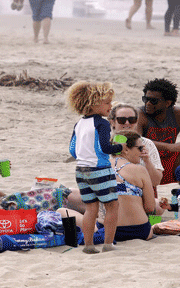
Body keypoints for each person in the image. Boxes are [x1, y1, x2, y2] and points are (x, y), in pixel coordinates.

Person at [66, 81, 122, 254]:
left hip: (81, 171)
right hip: (100, 170)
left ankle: (89, 245)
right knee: (112, 205)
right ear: (94, 103)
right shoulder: (102, 124)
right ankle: (108, 244)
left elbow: (72, 150)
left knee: (91, 208)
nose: (110, 106)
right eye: (107, 102)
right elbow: (105, 148)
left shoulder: (79, 124)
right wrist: (118, 148)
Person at [110, 130, 159, 241]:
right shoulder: (139, 170)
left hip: (109, 231)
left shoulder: (100, 167)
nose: (142, 152)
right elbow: (150, 207)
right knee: (158, 205)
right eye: (140, 148)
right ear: (126, 150)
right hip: (139, 230)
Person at [109, 103, 163, 188]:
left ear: (137, 122)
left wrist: (147, 160)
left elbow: (156, 182)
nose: (127, 123)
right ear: (112, 122)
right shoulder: (103, 143)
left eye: (132, 119)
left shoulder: (147, 144)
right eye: (122, 120)